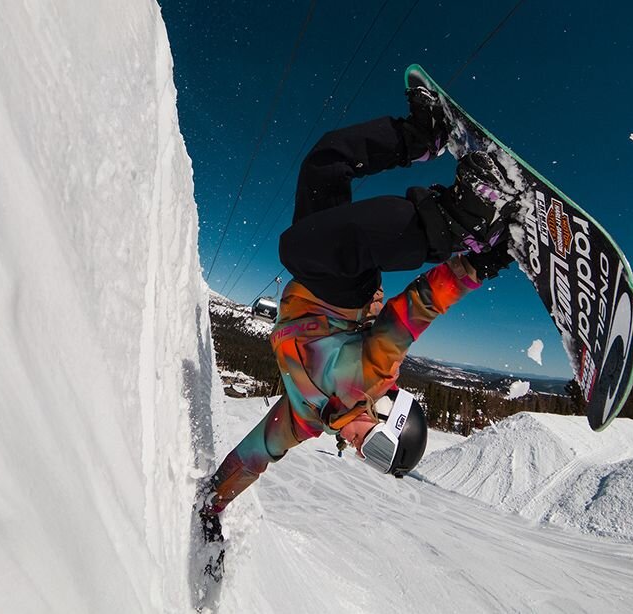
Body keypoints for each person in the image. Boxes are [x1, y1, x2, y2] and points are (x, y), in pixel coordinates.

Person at [199, 86, 520, 543]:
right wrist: (473, 266)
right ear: (390, 412)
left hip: (316, 279)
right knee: (297, 246)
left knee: (323, 165)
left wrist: (212, 505)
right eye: (378, 445)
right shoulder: (371, 377)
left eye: (371, 458)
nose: (359, 448)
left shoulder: (304, 422)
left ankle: (422, 136)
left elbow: (253, 456)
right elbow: (415, 308)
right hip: (340, 291)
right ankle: (456, 220)